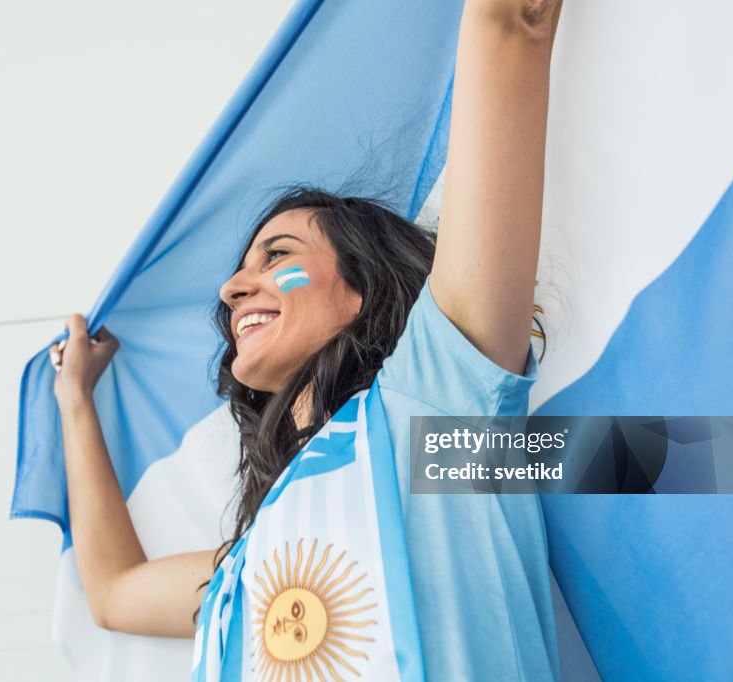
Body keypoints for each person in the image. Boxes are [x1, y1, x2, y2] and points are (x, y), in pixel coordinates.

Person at [51, 0, 563, 678]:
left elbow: (513, 25)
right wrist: (75, 399)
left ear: (364, 288)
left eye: (276, 256)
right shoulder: (242, 571)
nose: (233, 288)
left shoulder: (435, 410)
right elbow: (114, 592)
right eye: (239, 272)